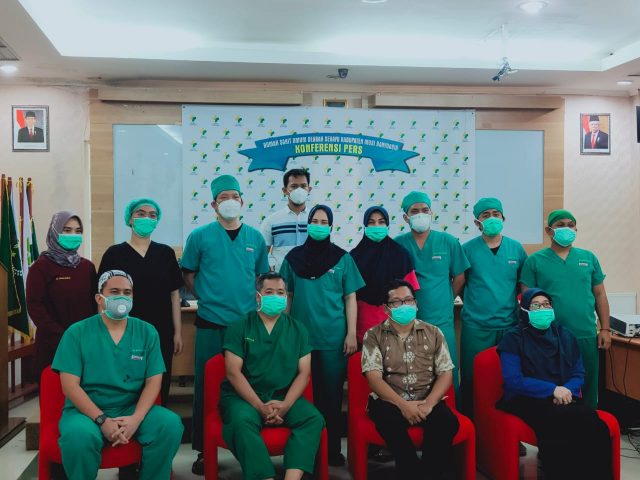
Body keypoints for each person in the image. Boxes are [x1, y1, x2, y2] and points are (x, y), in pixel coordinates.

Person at [52, 270, 183, 480]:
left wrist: (136, 419)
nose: (122, 297)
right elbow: (70, 386)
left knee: (170, 425)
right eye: (114, 292)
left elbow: (154, 381)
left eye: (127, 292)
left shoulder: (147, 332)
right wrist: (102, 420)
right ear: (99, 298)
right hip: (86, 412)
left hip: (130, 407)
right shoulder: (77, 333)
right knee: (77, 437)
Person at [181, 174, 270, 474]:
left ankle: (250, 443)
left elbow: (261, 278)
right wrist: (206, 296)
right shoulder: (200, 237)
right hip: (210, 322)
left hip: (246, 326)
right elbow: (188, 273)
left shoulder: (255, 238)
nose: (229, 202)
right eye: (223, 198)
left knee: (249, 383)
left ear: (242, 201)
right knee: (207, 386)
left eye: (234, 196)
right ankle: (203, 450)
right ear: (213, 204)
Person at [280, 204, 365, 466]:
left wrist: (351, 333)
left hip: (332, 340)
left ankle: (331, 451)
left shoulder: (342, 258)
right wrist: (283, 331)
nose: (318, 225)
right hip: (300, 340)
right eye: (314, 221)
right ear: (308, 224)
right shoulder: (293, 258)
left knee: (330, 399)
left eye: (323, 222)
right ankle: (305, 453)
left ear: (330, 226)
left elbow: (350, 298)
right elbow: (287, 296)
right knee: (302, 398)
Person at [497, 288, 612, 480]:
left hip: (563, 396)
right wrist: (552, 390)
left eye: (546, 305)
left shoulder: (565, 335)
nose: (542, 309)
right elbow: (513, 381)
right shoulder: (513, 338)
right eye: (536, 305)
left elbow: (578, 373)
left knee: (594, 423)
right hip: (526, 398)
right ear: (524, 310)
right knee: (559, 424)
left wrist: (565, 390)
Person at [221, 272, 324, 480]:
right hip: (244, 397)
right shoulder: (240, 327)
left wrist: (286, 405)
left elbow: (304, 373)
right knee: (241, 422)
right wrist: (259, 406)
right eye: (269, 292)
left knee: (313, 419)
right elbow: (233, 372)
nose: (276, 297)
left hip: (284, 395)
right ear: (258, 296)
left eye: (280, 292)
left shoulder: (298, 329)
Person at [361, 279, 459, 480]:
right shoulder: (373, 335)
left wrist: (429, 404)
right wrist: (403, 405)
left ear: (416, 303)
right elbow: (374, 379)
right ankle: (410, 471)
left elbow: (446, 373)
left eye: (408, 300)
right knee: (389, 422)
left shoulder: (434, 332)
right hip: (390, 401)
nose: (404, 305)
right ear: (386, 308)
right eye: (397, 302)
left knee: (447, 422)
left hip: (427, 398)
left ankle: (429, 474)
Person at [520, 209, 611, 409]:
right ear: (549, 230)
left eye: (571, 225)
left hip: (585, 333)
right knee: (555, 387)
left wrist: (605, 328)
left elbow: (600, 295)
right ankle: (559, 426)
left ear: (576, 229)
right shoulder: (534, 261)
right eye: (560, 225)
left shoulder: (588, 258)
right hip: (550, 336)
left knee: (587, 384)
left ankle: (589, 422)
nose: (566, 229)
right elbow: (528, 301)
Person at [98, 198, 183, 406]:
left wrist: (178, 332)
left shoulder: (165, 253)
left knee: (159, 380)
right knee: (126, 380)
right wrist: (103, 331)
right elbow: (101, 298)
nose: (147, 218)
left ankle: (156, 419)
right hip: (124, 329)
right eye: (141, 213)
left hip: (161, 331)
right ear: (130, 219)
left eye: (152, 215)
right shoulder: (114, 254)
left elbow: (174, 295)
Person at [394, 191, 470, 394]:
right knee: (413, 372)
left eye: (425, 210)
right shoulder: (398, 244)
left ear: (431, 213)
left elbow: (460, 277)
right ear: (406, 217)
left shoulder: (448, 242)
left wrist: (446, 300)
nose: (421, 214)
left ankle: (452, 410)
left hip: (442, 319)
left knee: (447, 370)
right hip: (408, 320)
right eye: (415, 211)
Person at [459, 198, 527, 414]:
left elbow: (523, 285)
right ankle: (472, 426)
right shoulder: (467, 250)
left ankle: (505, 428)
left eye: (496, 214)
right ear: (477, 222)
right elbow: (460, 284)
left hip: (509, 325)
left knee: (507, 379)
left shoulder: (515, 249)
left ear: (503, 218)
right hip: (476, 327)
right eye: (486, 215)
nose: (492, 218)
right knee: (472, 379)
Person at [26, 211, 97, 380]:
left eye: (78, 231)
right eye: (67, 230)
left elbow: (94, 304)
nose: (73, 235)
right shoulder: (40, 267)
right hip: (52, 345)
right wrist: (63, 336)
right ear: (55, 231)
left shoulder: (87, 267)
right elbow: (35, 307)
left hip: (84, 343)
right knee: (54, 391)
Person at [350, 205, 419, 345]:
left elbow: (410, 295)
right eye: (371, 222)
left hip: (396, 324)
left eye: (381, 222)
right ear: (365, 226)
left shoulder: (401, 255)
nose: (377, 226)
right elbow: (349, 297)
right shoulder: (353, 257)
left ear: (387, 225)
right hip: (363, 326)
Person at [260, 168, 312, 271]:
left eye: (303, 186)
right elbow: (261, 254)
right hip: (282, 278)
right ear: (285, 190)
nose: (299, 190)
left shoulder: (317, 219)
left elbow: (329, 250)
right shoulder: (272, 221)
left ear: (309, 190)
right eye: (294, 186)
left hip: (312, 277)